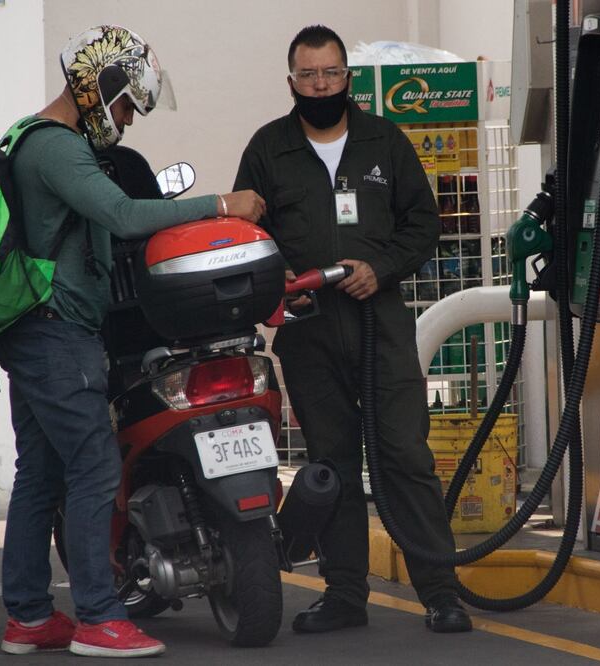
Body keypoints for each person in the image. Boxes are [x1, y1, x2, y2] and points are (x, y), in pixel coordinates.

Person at [0, 25, 265, 658]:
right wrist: (220, 203)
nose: (126, 121)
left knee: (41, 475)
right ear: (100, 88)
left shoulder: (34, 141)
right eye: (124, 105)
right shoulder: (57, 148)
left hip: (35, 332)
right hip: (58, 335)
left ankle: (29, 617)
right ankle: (97, 617)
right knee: (91, 468)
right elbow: (124, 215)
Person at [233, 24, 472, 635]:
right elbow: (245, 232)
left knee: (404, 456)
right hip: (309, 332)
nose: (320, 84)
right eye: (308, 75)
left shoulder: (384, 141)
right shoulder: (268, 149)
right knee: (330, 465)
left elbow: (423, 223)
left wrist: (381, 267)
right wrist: (278, 272)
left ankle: (441, 593)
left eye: (331, 73)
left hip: (380, 326)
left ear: (348, 77)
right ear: (292, 82)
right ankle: (345, 596)